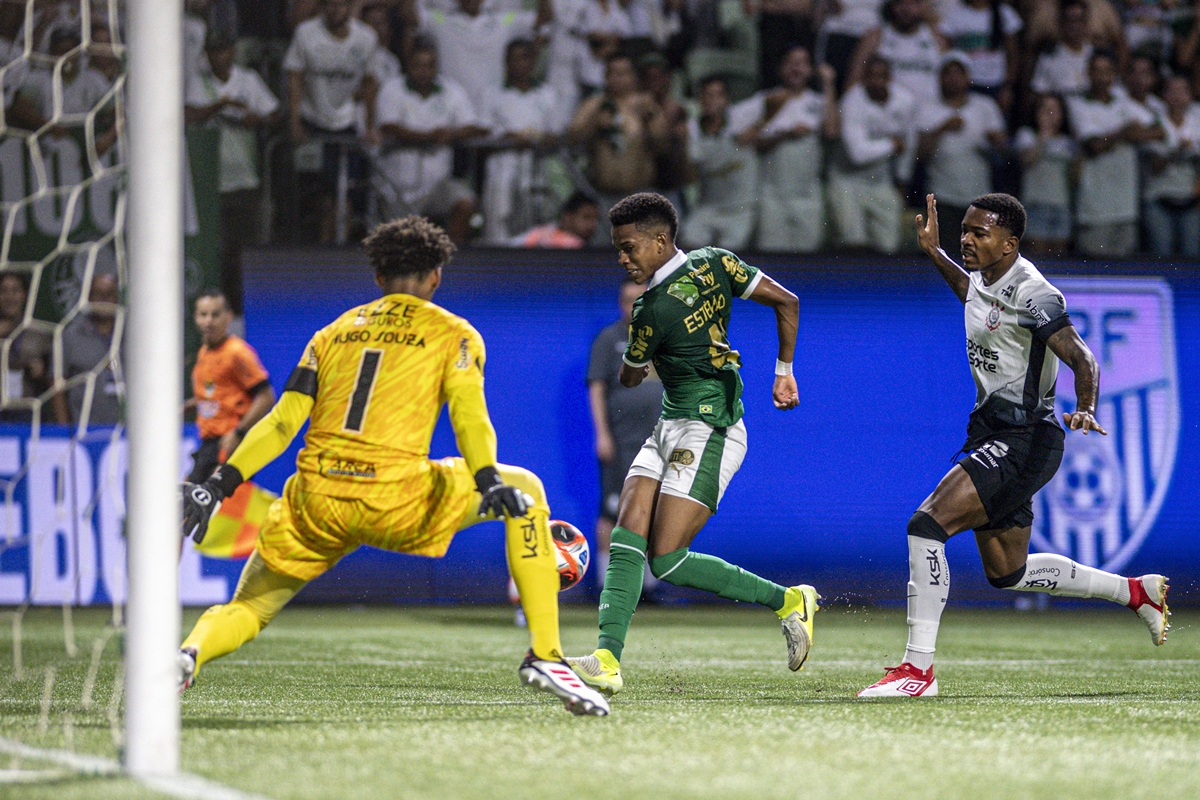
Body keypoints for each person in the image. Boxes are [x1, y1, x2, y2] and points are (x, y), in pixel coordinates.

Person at [177, 216, 609, 717]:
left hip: (315, 499)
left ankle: (188, 654)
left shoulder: (332, 333)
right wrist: (488, 480)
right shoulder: (455, 334)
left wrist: (217, 484)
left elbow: (280, 422)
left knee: (248, 607)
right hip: (395, 498)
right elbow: (470, 416)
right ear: (436, 278)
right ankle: (546, 655)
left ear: (378, 278)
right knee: (527, 491)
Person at [858, 192, 1170, 698]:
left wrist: (1086, 406)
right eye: (965, 230)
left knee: (926, 525)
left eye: (980, 233)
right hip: (995, 431)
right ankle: (1136, 592)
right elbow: (972, 296)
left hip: (1024, 438)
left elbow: (1083, 359)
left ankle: (917, 672)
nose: (967, 238)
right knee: (1008, 571)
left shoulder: (1035, 293)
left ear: (1010, 243)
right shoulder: (984, 279)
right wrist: (935, 253)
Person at [565, 192, 818, 697]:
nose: (622, 257)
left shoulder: (649, 311)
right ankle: (607, 659)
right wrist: (783, 372)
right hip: (670, 425)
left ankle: (789, 601)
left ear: (660, 240)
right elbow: (786, 301)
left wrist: (640, 360)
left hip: (712, 428)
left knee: (669, 559)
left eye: (628, 246)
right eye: (618, 248)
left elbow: (631, 378)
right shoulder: (716, 262)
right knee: (626, 531)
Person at [186, 33, 282, 319]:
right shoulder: (198, 81)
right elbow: (189, 114)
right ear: (207, 54)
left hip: (244, 178)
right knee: (214, 249)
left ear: (232, 52)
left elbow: (275, 112)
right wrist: (221, 104)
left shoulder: (247, 79)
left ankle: (240, 310)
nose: (220, 57)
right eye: (214, 52)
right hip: (209, 179)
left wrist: (259, 119)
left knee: (242, 250)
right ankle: (211, 308)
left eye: (225, 51)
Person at [587, 279, 662, 589]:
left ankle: (648, 587)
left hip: (658, 442)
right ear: (620, 303)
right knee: (613, 510)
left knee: (655, 510)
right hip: (621, 443)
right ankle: (609, 584)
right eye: (628, 300)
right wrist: (602, 434)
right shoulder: (609, 338)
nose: (634, 306)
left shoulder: (662, 339)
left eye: (640, 300)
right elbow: (596, 386)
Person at [283, 0, 379, 244]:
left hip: (346, 122)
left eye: (341, 6)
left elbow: (369, 84)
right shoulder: (306, 33)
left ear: (349, 8)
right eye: (330, 5)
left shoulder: (366, 38)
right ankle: (318, 244)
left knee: (344, 191)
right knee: (319, 193)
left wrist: (370, 126)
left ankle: (339, 246)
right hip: (312, 120)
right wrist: (294, 122)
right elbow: (294, 77)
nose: (335, 11)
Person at [374, 40, 488, 244]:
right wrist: (427, 137)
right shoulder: (392, 89)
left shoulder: (451, 90)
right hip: (397, 185)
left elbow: (474, 126)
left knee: (465, 202)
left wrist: (451, 134)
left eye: (430, 65)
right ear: (408, 65)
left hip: (437, 184)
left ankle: (448, 258)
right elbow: (388, 127)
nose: (424, 71)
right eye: (418, 65)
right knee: (401, 245)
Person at [732, 46, 839, 252]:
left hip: (808, 197)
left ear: (810, 70)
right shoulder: (766, 100)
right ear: (781, 68)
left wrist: (828, 84)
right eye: (791, 63)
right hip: (773, 196)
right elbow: (743, 139)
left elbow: (832, 132)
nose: (796, 68)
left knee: (808, 262)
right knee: (773, 262)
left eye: (802, 63)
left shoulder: (818, 102)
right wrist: (784, 135)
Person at [1067, 50, 1162, 256]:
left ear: (1114, 74)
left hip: (1126, 207)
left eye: (1107, 71)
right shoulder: (1078, 104)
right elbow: (1094, 146)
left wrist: (1113, 137)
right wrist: (1124, 132)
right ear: (1088, 73)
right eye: (1097, 71)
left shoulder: (1123, 100)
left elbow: (1158, 130)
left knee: (1123, 275)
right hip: (1093, 209)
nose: (1102, 77)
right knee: (1095, 276)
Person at [917, 54, 1008, 254]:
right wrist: (941, 128)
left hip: (978, 199)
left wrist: (996, 142)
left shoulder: (985, 107)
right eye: (948, 73)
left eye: (959, 73)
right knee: (944, 256)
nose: (953, 79)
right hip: (942, 197)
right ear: (940, 78)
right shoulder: (928, 108)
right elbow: (919, 155)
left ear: (969, 77)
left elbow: (1004, 153)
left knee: (979, 256)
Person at [185, 289, 276, 484]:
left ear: (228, 317)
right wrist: (190, 405)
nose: (209, 321)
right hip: (209, 443)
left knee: (219, 508)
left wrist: (238, 433)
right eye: (203, 314)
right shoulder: (204, 352)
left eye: (215, 315)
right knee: (193, 503)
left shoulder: (237, 353)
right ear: (196, 318)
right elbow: (218, 393)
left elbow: (266, 396)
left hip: (230, 444)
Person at [480, 39, 565, 244]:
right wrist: (508, 138)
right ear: (506, 62)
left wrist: (539, 138)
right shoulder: (492, 94)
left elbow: (558, 132)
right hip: (502, 168)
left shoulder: (547, 94)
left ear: (533, 61)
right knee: (498, 222)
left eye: (525, 58)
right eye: (514, 59)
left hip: (537, 168)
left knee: (535, 225)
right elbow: (482, 132)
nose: (520, 64)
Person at [829, 54, 916, 253]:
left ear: (890, 78)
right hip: (847, 182)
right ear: (864, 78)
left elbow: (909, 147)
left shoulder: (905, 101)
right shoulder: (852, 100)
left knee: (890, 244)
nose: (877, 81)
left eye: (882, 76)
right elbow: (857, 154)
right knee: (853, 243)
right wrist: (892, 145)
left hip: (881, 182)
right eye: (872, 76)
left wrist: (903, 180)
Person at [681, 75, 758, 251]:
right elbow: (690, 178)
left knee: (730, 260)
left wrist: (759, 129)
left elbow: (771, 103)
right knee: (688, 248)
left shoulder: (742, 119)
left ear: (726, 100)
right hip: (707, 207)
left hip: (740, 209)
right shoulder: (691, 130)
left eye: (717, 95)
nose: (711, 100)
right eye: (706, 95)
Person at [1140, 74, 1200, 257]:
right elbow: (1155, 166)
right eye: (1172, 91)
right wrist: (1178, 151)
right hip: (1159, 200)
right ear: (1164, 95)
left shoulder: (1196, 121)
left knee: (1191, 257)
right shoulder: (1154, 123)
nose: (1177, 96)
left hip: (1190, 200)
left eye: (1182, 91)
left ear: (1190, 95)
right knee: (1162, 256)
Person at [849, 0, 948, 106]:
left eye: (913, 3)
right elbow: (854, 81)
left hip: (927, 112)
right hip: (887, 113)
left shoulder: (936, 39)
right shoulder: (875, 38)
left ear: (924, 6)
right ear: (891, 5)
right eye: (900, 3)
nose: (906, 9)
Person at [1015, 93, 1077, 255]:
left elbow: (1074, 176)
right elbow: (1027, 160)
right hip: (1036, 204)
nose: (1050, 114)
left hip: (1061, 206)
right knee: (1038, 257)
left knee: (1059, 256)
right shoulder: (1027, 135)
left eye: (1054, 110)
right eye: (1045, 109)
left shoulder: (1067, 141)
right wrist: (1044, 134)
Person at [0, 272, 65, 423]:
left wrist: (40, 373)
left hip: (28, 411)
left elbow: (52, 382)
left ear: (24, 295)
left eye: (15, 291)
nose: (9, 297)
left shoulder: (40, 333)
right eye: (3, 291)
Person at [61, 272, 122, 427]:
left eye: (109, 294)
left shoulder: (135, 336)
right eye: (98, 294)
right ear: (87, 297)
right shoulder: (71, 335)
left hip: (132, 433)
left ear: (118, 298)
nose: (104, 299)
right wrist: (62, 430)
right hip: (83, 430)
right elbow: (56, 385)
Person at [510, 192, 601, 247]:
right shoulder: (541, 236)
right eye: (586, 217)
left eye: (596, 218)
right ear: (567, 217)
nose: (592, 224)